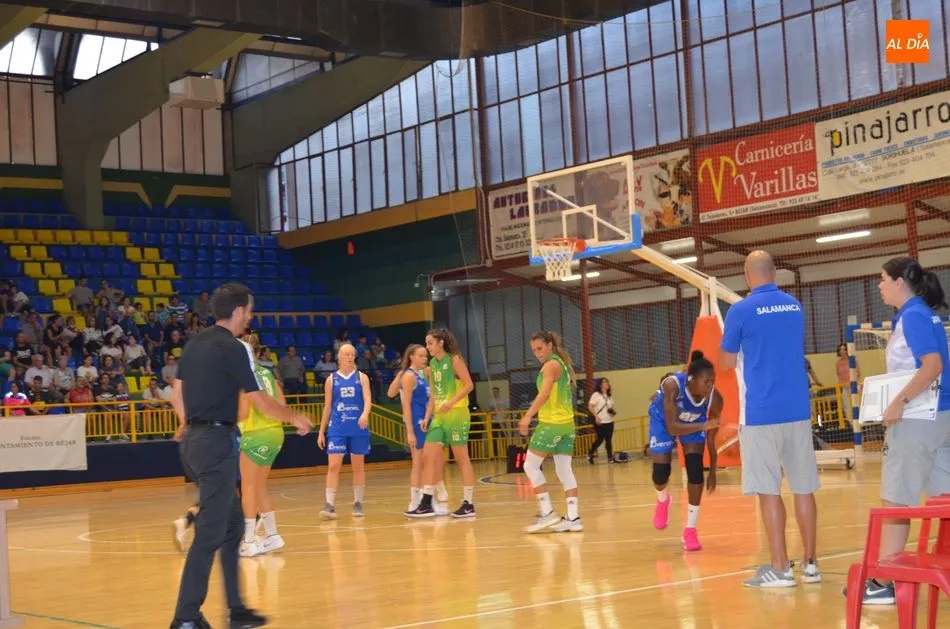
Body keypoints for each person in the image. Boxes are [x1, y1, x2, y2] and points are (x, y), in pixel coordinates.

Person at [169, 283, 313, 629]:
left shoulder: (194, 343)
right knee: (209, 534)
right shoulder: (233, 348)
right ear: (237, 312)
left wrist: (187, 423)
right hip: (216, 442)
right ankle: (185, 618)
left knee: (232, 525)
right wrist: (294, 418)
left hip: (195, 442)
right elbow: (259, 400)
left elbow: (175, 392)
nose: (250, 317)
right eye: (249, 311)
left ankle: (237, 611)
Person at [847, 257, 950, 606]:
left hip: (918, 420)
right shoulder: (924, 314)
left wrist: (899, 402)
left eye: (882, 279)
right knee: (944, 500)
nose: (879, 286)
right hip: (941, 419)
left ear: (900, 282)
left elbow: (932, 365)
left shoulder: (913, 317)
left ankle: (883, 581)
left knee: (897, 501)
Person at [720, 251, 821, 588]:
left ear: (747, 275)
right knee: (804, 488)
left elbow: (724, 361)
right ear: (775, 273)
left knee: (768, 490)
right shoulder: (794, 306)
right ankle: (811, 564)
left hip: (760, 413)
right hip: (797, 410)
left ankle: (780, 568)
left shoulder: (740, 311)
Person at [648, 351, 722, 551]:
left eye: (712, 381)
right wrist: (703, 425)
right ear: (692, 379)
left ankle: (690, 530)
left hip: (694, 423)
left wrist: (713, 471)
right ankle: (663, 500)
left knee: (696, 473)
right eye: (706, 381)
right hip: (664, 421)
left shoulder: (715, 399)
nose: (710, 386)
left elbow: (712, 438)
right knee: (661, 473)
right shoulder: (673, 386)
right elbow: (673, 427)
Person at [405, 328, 476, 518]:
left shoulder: (454, 360)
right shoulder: (433, 365)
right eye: (426, 343)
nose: (427, 347)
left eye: (429, 343)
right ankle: (426, 501)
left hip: (457, 414)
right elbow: (434, 395)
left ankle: (468, 503)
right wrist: (428, 415)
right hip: (439, 417)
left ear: (440, 343)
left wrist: (451, 402)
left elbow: (469, 385)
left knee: (461, 459)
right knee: (428, 455)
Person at [519, 330, 583, 533]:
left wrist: (528, 416)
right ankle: (573, 518)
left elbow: (545, 393)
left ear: (549, 345)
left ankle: (547, 513)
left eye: (539, 348)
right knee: (564, 470)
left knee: (530, 465)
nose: (537, 353)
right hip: (567, 424)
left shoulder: (551, 365)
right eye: (533, 350)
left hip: (551, 424)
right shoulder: (561, 364)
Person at [236, 334, 289, 557]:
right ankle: (272, 535)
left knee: (247, 487)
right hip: (276, 433)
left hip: (256, 433)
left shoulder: (242, 377)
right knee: (259, 486)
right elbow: (282, 404)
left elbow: (243, 412)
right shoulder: (268, 374)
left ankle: (248, 540)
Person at [317, 343, 372, 519]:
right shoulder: (331, 379)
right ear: (339, 357)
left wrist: (364, 414)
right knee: (333, 466)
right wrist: (321, 431)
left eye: (352, 354)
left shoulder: (361, 377)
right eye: (346, 354)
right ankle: (329, 505)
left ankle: (357, 503)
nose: (349, 357)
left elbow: (368, 399)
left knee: (358, 467)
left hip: (358, 428)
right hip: (337, 428)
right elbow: (327, 407)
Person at [395, 344, 432, 512]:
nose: (425, 359)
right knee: (417, 464)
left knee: (427, 463)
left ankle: (426, 500)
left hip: (426, 422)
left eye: (426, 356)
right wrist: (410, 432)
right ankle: (414, 501)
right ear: (411, 357)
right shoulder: (408, 376)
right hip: (416, 424)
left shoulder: (421, 376)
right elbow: (406, 406)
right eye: (421, 356)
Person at [587, 378, 617, 464]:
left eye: (607, 381)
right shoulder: (596, 395)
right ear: (600, 385)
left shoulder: (609, 396)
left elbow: (609, 408)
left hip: (610, 421)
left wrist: (612, 413)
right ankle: (590, 453)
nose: (606, 383)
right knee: (600, 439)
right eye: (604, 382)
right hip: (600, 421)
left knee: (608, 439)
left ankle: (610, 457)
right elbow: (590, 406)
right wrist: (596, 416)